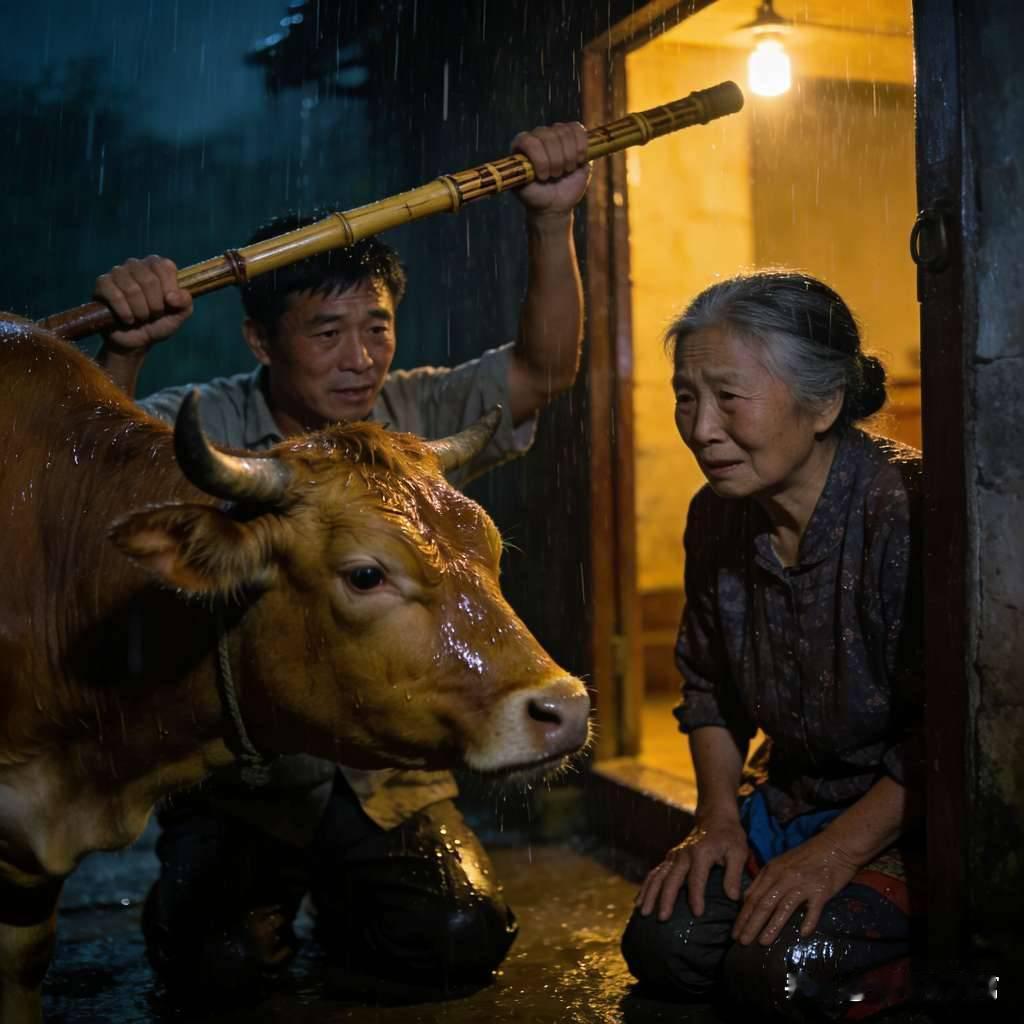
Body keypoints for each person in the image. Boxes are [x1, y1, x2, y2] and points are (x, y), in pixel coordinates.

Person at [92, 123, 591, 1002]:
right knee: (217, 973)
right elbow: (91, 472)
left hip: (389, 776)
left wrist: (551, 220)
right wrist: (126, 348)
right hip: (242, 783)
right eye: (326, 332)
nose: (360, 360)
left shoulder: (409, 412)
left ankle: (357, 893)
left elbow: (542, 370)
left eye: (377, 326)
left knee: (453, 941)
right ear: (258, 340)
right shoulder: (200, 429)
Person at [620, 271, 924, 1021]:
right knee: (666, 947)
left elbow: (942, 739)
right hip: (788, 800)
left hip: (908, 818)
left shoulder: (904, 511)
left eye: (728, 397)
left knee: (780, 974)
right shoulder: (717, 516)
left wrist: (839, 853)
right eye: (686, 397)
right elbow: (706, 689)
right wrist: (716, 821)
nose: (700, 428)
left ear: (821, 403)